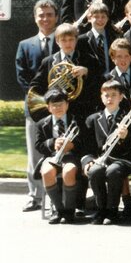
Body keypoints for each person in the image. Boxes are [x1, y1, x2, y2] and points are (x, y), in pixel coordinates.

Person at [16, 0, 58, 211]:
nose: (45, 18)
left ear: (56, 17)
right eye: (41, 15)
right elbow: (22, 77)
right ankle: (35, 197)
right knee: (35, 152)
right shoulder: (25, 45)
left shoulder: (63, 41)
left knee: (59, 150)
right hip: (35, 108)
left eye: (49, 14)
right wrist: (42, 100)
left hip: (61, 107)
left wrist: (56, 100)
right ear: (35, 18)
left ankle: (59, 197)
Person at [83, 80, 131, 225]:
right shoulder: (93, 119)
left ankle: (112, 210)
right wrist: (88, 161)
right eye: (106, 95)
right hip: (101, 159)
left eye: (114, 95)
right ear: (101, 97)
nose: (110, 98)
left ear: (121, 97)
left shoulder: (130, 118)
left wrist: (126, 137)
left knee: (113, 170)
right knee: (95, 171)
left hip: (123, 160)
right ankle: (101, 209)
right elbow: (87, 147)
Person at [33, 90, 83, 224]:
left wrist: (71, 145)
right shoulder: (41, 123)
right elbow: (38, 145)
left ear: (67, 105)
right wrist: (52, 143)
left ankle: (69, 210)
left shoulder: (76, 120)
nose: (58, 108)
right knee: (47, 172)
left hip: (70, 156)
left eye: (61, 104)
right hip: (52, 156)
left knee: (69, 171)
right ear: (48, 108)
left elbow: (84, 142)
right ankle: (59, 210)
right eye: (54, 105)